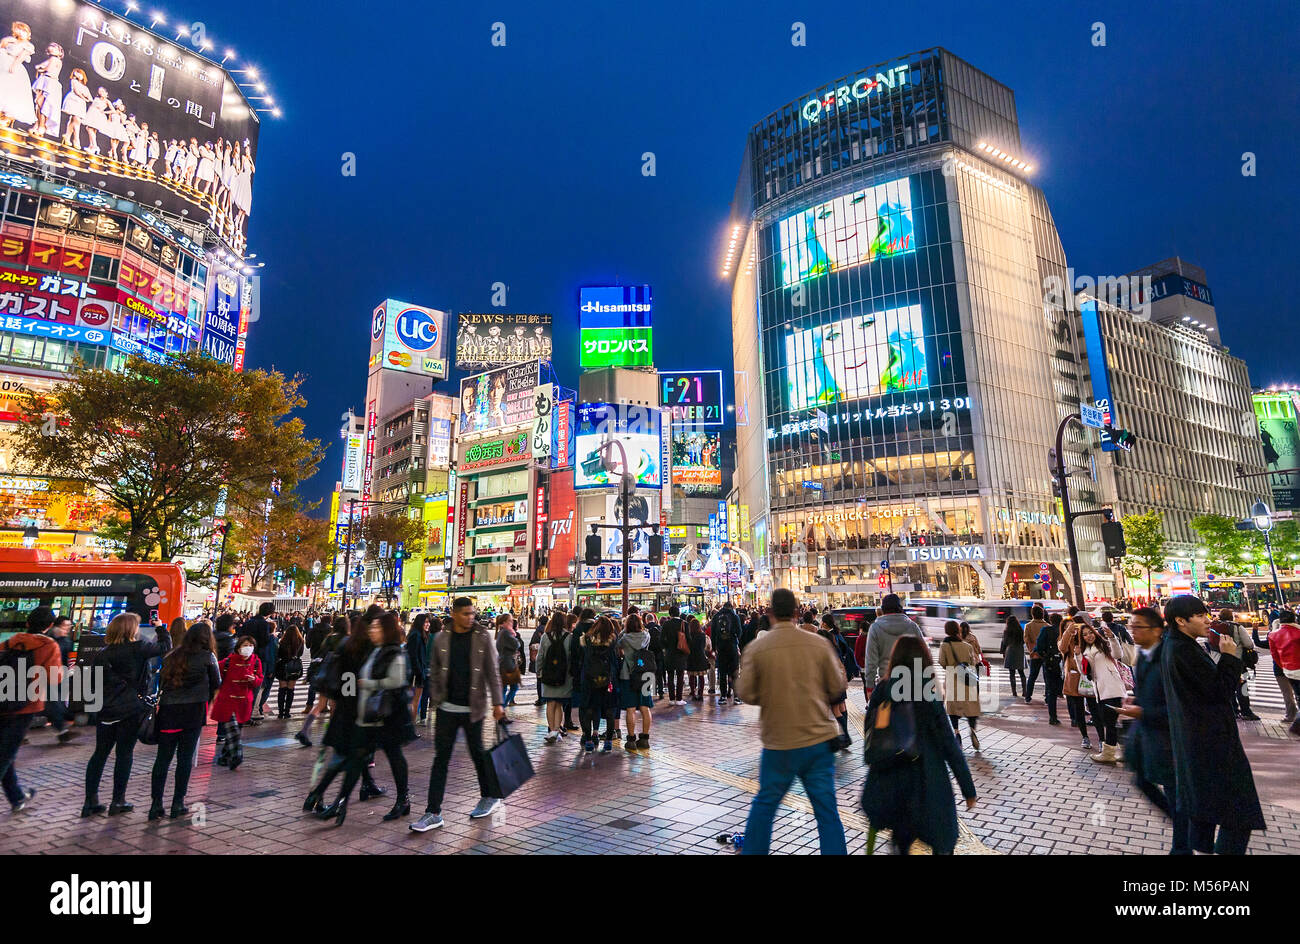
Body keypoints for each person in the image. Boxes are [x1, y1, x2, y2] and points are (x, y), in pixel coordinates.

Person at [735, 588, 848, 855]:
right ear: (797, 612)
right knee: (827, 812)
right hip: (818, 741)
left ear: (770, 613)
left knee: (765, 807)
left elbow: (746, 692)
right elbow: (837, 684)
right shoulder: (817, 643)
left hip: (779, 743)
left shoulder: (758, 647)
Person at [1161, 595, 1266, 855]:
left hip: (1196, 741)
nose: (1207, 619)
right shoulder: (1183, 650)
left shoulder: (1175, 645)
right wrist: (1230, 657)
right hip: (1211, 742)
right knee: (1239, 811)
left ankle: (1199, 848)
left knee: (1204, 808)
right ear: (1180, 621)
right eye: (1200, 615)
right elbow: (1218, 691)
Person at [861, 635, 977, 854]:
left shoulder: (883, 690)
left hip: (892, 781)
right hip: (928, 781)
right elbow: (949, 745)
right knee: (941, 840)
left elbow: (870, 733)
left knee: (901, 840)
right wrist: (968, 789)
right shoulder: (927, 693)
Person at [410, 598, 506, 833]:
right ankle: (433, 812)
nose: (470, 617)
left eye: (472, 613)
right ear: (453, 614)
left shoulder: (482, 637)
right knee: (441, 759)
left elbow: (493, 673)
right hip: (446, 708)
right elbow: (434, 667)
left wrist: (498, 703)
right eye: (465, 613)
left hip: (473, 708)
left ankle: (490, 795)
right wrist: (436, 695)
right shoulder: (442, 638)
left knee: (478, 754)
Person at [317, 612, 411, 824]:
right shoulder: (374, 651)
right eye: (371, 627)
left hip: (388, 717)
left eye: (377, 628)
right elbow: (351, 679)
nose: (372, 631)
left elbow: (396, 682)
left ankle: (403, 799)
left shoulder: (394, 652)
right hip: (368, 716)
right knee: (356, 759)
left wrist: (368, 684)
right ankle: (340, 804)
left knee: (394, 757)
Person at [82, 613, 172, 817]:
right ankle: (118, 800)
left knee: (100, 754)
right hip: (130, 709)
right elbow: (165, 648)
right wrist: (161, 628)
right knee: (124, 754)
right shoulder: (138, 648)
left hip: (105, 709)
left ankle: (90, 800)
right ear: (131, 629)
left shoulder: (103, 653)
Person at [1116, 607, 1189, 854]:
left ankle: (1182, 845)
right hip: (1148, 735)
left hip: (1168, 738)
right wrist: (1136, 702)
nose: (1133, 631)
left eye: (1138, 627)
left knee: (1173, 792)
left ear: (1157, 630)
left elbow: (1178, 706)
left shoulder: (1168, 657)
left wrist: (1143, 712)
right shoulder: (1145, 655)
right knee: (1143, 780)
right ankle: (1185, 832)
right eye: (1131, 626)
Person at [304, 617, 387, 814]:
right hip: (353, 712)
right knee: (347, 757)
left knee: (350, 756)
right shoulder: (360, 649)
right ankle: (323, 798)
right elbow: (350, 682)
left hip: (345, 709)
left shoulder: (349, 644)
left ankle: (323, 796)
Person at [151, 622, 221, 820]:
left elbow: (162, 682)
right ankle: (177, 803)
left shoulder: (172, 655)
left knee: (162, 759)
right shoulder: (208, 657)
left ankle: (156, 804)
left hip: (168, 711)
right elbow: (217, 684)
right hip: (193, 712)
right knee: (184, 759)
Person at [0, 618, 61, 812]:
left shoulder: (12, 640)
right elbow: (53, 677)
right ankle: (17, 797)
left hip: (3, 701)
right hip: (27, 705)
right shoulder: (49, 644)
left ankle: (17, 797)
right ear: (50, 625)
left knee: (5, 752)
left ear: (27, 623)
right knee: (6, 754)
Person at [211, 634, 263, 770]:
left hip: (244, 702)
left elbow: (259, 680)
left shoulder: (256, 662)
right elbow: (215, 676)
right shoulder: (227, 662)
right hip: (227, 701)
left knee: (236, 730)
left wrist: (254, 680)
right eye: (245, 645)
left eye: (251, 646)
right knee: (233, 729)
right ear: (238, 648)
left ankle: (224, 757)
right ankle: (237, 756)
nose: (248, 648)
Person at [1080, 620, 1127, 764]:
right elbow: (1084, 671)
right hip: (1101, 690)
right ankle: (1125, 751)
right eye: (1085, 635)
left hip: (1112, 689)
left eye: (1090, 633)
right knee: (1112, 722)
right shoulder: (1085, 651)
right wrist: (1078, 655)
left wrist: (1112, 638)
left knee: (1110, 722)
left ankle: (1109, 753)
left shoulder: (1104, 645)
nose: (1088, 636)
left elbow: (1118, 654)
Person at [575, 616, 620, 752]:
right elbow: (615, 660)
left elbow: (580, 659)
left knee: (588, 709)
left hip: (589, 679)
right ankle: (607, 743)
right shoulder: (613, 640)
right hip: (608, 679)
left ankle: (588, 741)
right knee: (609, 710)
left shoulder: (586, 639)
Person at [862, 594, 924, 691]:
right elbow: (923, 656)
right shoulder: (913, 626)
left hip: (886, 683)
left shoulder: (875, 628)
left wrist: (870, 686)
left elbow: (871, 662)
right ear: (900, 608)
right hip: (911, 683)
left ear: (883, 609)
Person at [1208, 610, 1260, 721]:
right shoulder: (1237, 627)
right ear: (1231, 616)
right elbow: (1248, 644)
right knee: (1243, 688)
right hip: (1237, 662)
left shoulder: (1213, 627)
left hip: (1218, 662)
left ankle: (1233, 711)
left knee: (1228, 686)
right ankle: (1246, 711)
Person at [938, 620, 981, 750]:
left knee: (953, 708)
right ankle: (972, 729)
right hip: (968, 679)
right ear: (958, 630)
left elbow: (942, 662)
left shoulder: (944, 645)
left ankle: (957, 732)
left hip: (952, 678)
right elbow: (973, 661)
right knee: (971, 708)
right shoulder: (967, 646)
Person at [618, 612, 653, 752]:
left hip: (628, 675)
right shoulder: (646, 636)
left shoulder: (624, 639)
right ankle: (645, 739)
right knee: (645, 707)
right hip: (645, 675)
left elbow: (618, 644)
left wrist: (624, 629)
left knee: (631, 708)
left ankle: (631, 740)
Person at [538, 612, 573, 743]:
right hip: (564, 676)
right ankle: (556, 730)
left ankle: (552, 730)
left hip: (548, 674)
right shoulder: (569, 637)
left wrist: (539, 672)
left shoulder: (545, 637)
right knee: (559, 704)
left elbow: (540, 657)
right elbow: (571, 658)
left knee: (550, 704)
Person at [1058, 614, 1092, 748]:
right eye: (1066, 628)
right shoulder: (1064, 641)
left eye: (1072, 626)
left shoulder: (1083, 638)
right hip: (1074, 677)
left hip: (1089, 677)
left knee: (1094, 708)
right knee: (1079, 709)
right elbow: (1062, 648)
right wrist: (1068, 632)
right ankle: (1085, 737)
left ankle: (1102, 739)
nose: (1071, 629)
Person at [1256, 619, 1298, 724]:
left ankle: (1291, 715)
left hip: (1280, 670)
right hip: (1294, 668)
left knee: (1287, 694)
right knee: (1296, 693)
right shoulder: (1295, 635)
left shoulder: (1273, 637)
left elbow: (1258, 643)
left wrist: (1255, 630)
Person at [1266, 612, 1300, 735]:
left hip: (1288, 670)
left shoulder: (1273, 635)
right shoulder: (1298, 632)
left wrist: (1284, 667)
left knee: (1296, 695)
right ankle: (1297, 725)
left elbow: (1275, 655)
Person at [712, 603, 742, 705]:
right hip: (732, 646)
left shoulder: (716, 616)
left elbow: (713, 633)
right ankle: (736, 696)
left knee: (722, 672)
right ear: (731, 607)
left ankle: (723, 696)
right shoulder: (734, 616)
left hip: (721, 647)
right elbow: (739, 632)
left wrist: (714, 647)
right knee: (734, 672)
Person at [273, 622, 305, 718]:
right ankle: (287, 712)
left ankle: (280, 713)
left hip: (283, 666)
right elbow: (301, 654)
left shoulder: (283, 641)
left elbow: (279, 654)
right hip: (294, 666)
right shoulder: (300, 641)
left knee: (282, 690)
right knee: (291, 690)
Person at [660, 605, 689, 705]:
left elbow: (661, 639)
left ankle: (672, 699)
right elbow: (689, 639)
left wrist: (666, 648)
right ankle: (679, 698)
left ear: (670, 614)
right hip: (681, 653)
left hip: (669, 654)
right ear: (679, 613)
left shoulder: (666, 624)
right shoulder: (684, 623)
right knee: (680, 676)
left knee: (670, 676)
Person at [407, 613, 431, 723]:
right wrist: (419, 672)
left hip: (418, 671)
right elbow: (413, 655)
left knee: (415, 700)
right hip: (416, 673)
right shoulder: (416, 635)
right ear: (420, 623)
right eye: (425, 622)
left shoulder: (418, 634)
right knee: (414, 701)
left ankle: (411, 725)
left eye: (428, 622)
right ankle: (410, 726)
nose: (428, 624)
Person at [495, 613, 523, 708]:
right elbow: (517, 644)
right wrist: (514, 635)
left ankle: (502, 708)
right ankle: (503, 707)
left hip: (502, 662)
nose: (512, 623)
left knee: (504, 688)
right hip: (508, 664)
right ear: (504, 622)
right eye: (510, 621)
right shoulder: (506, 632)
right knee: (513, 687)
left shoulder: (501, 632)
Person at [1022, 605, 1047, 703]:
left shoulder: (1028, 626)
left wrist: (1031, 650)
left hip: (1034, 654)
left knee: (1032, 676)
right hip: (1045, 655)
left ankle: (1028, 697)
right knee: (1047, 677)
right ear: (1043, 614)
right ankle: (1047, 698)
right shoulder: (1047, 626)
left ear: (1032, 614)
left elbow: (1026, 639)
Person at [1000, 613, 1026, 699]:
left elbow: (1004, 642)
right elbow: (1023, 641)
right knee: (1021, 672)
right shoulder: (1020, 630)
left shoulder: (1007, 631)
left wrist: (1003, 651)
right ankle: (1024, 691)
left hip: (1010, 650)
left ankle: (1014, 692)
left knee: (1012, 673)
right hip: (1019, 650)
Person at [685, 616, 710, 702]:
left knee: (691, 676)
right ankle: (701, 694)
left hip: (691, 657)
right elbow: (704, 647)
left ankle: (693, 693)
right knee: (701, 677)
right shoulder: (702, 635)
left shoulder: (689, 635)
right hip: (700, 657)